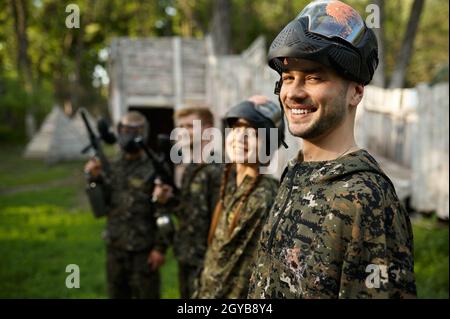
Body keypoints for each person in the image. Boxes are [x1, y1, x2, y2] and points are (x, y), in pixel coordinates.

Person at [248, 0, 416, 299]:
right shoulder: (296, 174)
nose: (295, 92)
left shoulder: (367, 200)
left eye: (314, 77)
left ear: (356, 91)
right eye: (288, 78)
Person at [193, 95, 284, 298]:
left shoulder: (263, 197)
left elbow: (242, 271)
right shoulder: (233, 185)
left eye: (251, 132)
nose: (240, 137)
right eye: (236, 129)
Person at [84, 110, 168, 299]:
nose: (129, 135)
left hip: (143, 251)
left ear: (144, 133)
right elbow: (103, 205)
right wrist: (94, 179)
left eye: (135, 130)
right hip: (116, 248)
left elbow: (163, 209)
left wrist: (159, 248)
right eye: (125, 130)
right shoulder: (113, 165)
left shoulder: (154, 165)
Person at [152, 107, 222, 299]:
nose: (182, 132)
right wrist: (169, 199)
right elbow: (190, 211)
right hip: (186, 257)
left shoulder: (218, 170)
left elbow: (221, 221)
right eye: (180, 126)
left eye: (189, 126)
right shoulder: (191, 167)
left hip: (208, 264)